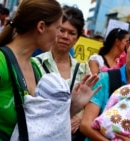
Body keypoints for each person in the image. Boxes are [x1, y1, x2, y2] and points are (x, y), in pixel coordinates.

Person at [0, 0, 99, 141]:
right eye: (59, 29)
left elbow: (38, 121)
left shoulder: (35, 68)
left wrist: (73, 107)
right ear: (41, 27)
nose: (60, 36)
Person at [34, 5, 90, 141]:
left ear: (77, 38)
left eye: (72, 33)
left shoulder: (83, 69)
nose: (65, 36)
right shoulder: (35, 63)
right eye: (61, 30)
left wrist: (82, 118)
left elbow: (91, 104)